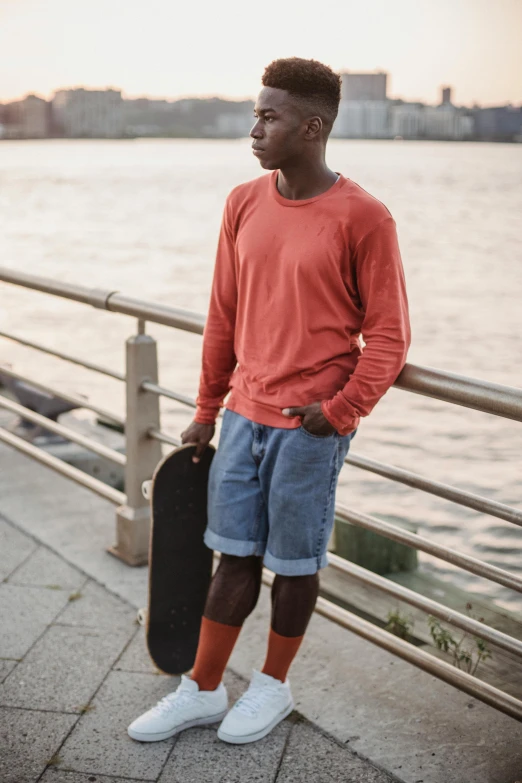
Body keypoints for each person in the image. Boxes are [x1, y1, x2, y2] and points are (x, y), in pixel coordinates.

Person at [128, 57, 410, 746]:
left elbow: (391, 336)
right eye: (255, 113)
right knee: (233, 557)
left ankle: (274, 687)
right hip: (242, 415)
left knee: (294, 563)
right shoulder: (242, 201)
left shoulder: (365, 217)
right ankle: (202, 688)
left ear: (312, 127)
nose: (254, 127)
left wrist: (338, 412)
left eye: (269, 115)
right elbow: (223, 312)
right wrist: (205, 406)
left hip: (310, 427)